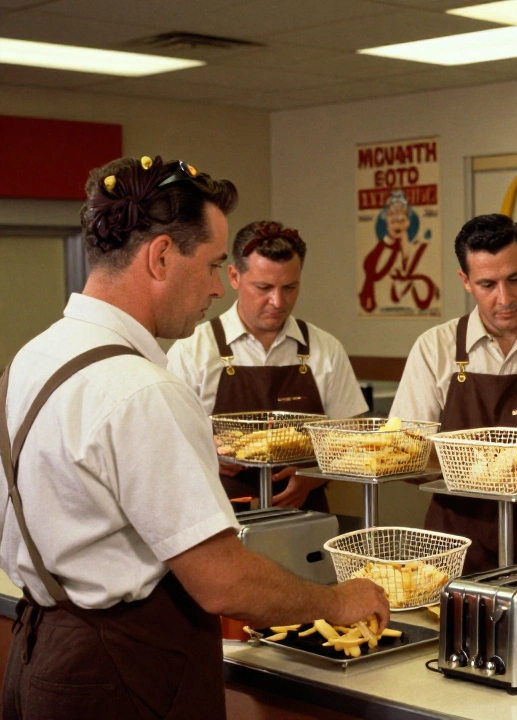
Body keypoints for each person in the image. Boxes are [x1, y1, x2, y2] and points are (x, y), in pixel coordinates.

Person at [0, 156, 389, 720]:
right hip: (123, 674)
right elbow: (223, 583)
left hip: (41, 654)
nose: (215, 288)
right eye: (211, 265)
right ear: (160, 256)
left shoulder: (31, 360)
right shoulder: (142, 389)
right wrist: (337, 599)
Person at [391, 213, 517, 572]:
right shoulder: (434, 348)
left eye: (514, 279)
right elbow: (407, 452)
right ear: (466, 281)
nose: (504, 298)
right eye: (487, 284)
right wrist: (482, 469)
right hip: (454, 545)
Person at [168, 220, 368, 511]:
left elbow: (353, 438)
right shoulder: (193, 350)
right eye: (263, 287)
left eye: (290, 287)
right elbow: (166, 441)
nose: (278, 301)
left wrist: (314, 476)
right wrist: (206, 452)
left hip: (305, 515)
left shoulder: (325, 349)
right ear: (234, 276)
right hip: (219, 517)